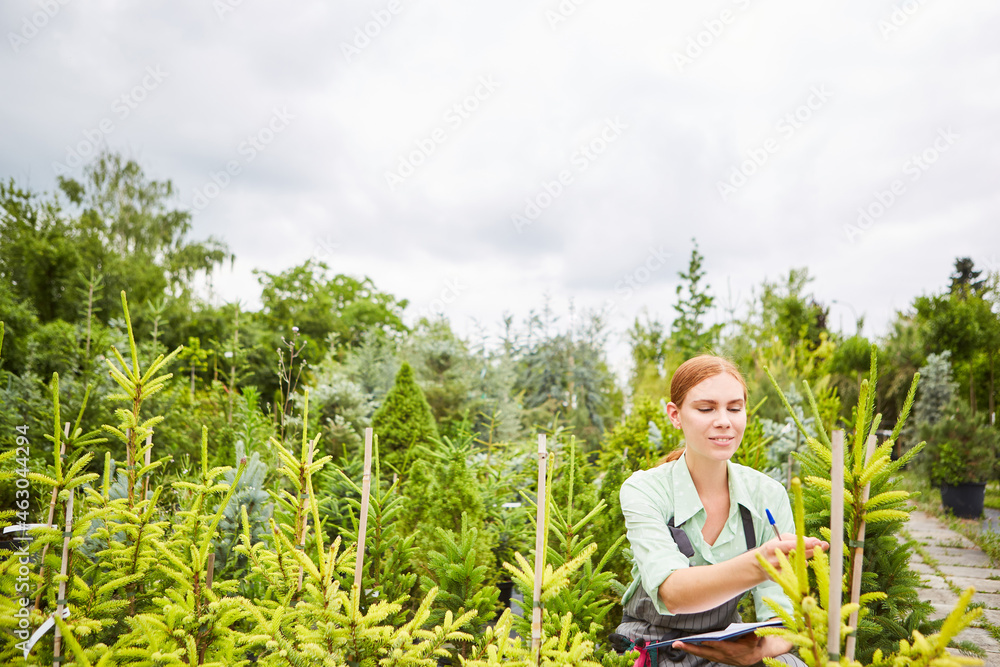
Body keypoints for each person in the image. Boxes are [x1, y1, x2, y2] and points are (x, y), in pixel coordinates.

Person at [615, 355, 828, 667]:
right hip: (653, 649)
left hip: (731, 650)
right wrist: (762, 562)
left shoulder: (768, 495)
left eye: (734, 408)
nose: (724, 421)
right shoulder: (644, 490)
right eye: (706, 409)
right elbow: (673, 593)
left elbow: (784, 619)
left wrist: (756, 652)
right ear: (675, 415)